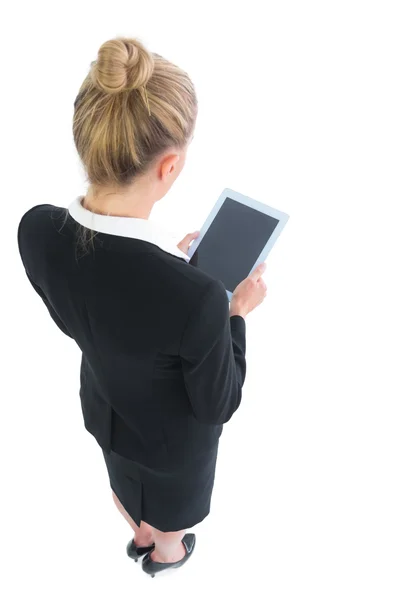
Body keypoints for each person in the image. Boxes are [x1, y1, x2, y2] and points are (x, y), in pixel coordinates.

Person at [17, 36, 267, 578]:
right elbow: (218, 402)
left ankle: (137, 533)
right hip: (174, 447)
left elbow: (83, 311)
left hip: (105, 410)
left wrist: (167, 271)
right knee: (171, 515)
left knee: (124, 483)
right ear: (169, 165)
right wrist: (235, 315)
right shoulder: (199, 298)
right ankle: (165, 553)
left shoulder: (35, 230)